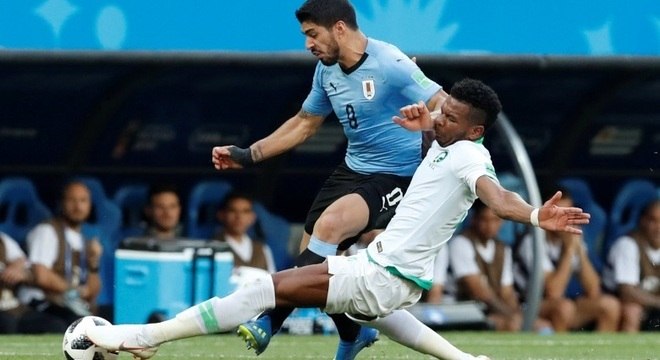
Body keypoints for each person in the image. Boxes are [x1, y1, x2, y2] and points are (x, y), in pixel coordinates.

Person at [87, 78, 589, 360]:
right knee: (376, 310)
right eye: (443, 110)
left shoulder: (471, 159)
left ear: (475, 129)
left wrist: (534, 214)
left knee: (266, 290)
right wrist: (424, 130)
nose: (440, 117)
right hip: (391, 272)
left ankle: (144, 338)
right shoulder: (445, 142)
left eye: (450, 118)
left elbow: (494, 197)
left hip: (383, 274)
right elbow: (436, 163)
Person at [211, 0, 447, 356]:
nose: (308, 44)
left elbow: (445, 104)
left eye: (312, 34)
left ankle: (269, 321)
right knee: (313, 262)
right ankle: (353, 335)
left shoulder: (391, 63)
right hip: (352, 170)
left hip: (397, 175)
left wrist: (431, 129)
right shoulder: (327, 71)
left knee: (330, 226)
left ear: (339, 27)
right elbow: (305, 123)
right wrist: (248, 155)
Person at [515, 186, 621, 332]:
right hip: (528, 307)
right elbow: (553, 292)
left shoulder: (569, 236)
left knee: (609, 305)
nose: (565, 218)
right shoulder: (532, 241)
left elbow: (593, 290)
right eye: (558, 213)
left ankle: (598, 354)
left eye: (568, 212)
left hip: (562, 305)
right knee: (564, 307)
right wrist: (570, 249)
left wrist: (579, 250)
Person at [18, 180, 103, 331]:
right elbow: (41, 276)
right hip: (37, 304)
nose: (78, 206)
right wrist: (74, 293)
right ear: (61, 203)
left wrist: (93, 262)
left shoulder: (85, 241)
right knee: (71, 327)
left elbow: (91, 293)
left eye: (83, 201)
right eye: (72, 200)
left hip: (66, 305)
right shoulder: (47, 231)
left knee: (99, 323)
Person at [449, 200, 523, 331]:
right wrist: (510, 316)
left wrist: (517, 315)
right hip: (464, 310)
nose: (490, 226)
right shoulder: (461, 243)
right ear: (474, 220)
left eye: (495, 220)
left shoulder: (503, 249)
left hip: (493, 310)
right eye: (485, 220)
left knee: (535, 325)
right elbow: (478, 292)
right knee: (507, 324)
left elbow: (507, 292)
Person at [602, 198, 660, 332]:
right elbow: (627, 292)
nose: (658, 228)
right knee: (632, 311)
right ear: (643, 221)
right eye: (653, 220)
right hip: (618, 301)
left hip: (650, 304)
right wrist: (658, 303)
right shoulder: (627, 245)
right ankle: (628, 352)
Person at [213, 192, 276, 273]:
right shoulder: (213, 248)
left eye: (245, 211)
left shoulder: (263, 249)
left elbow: (272, 281)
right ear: (221, 215)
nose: (239, 217)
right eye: (233, 211)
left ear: (252, 217)